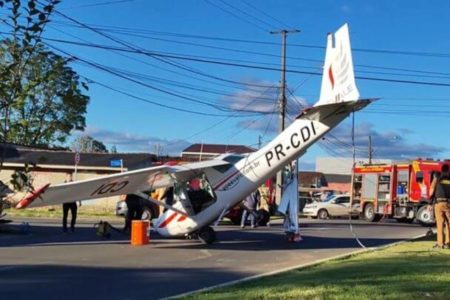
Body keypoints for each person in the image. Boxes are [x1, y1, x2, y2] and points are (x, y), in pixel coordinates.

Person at [429, 164, 450, 249]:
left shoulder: (437, 178)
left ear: (441, 170)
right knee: (449, 224)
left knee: (440, 223)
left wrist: (430, 200)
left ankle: (440, 244)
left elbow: (431, 191)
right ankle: (448, 243)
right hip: (449, 203)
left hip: (439, 203)